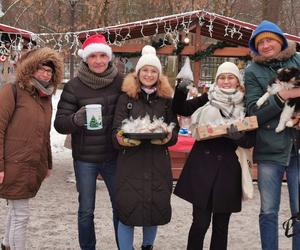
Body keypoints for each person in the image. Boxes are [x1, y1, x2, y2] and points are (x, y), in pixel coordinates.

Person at [172, 62, 255, 250]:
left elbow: (250, 140)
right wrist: (181, 89)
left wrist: (238, 137)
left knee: (221, 226)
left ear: (238, 81)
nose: (226, 81)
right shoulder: (207, 98)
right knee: (200, 223)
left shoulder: (246, 104)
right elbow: (181, 108)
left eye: (230, 77)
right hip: (202, 167)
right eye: (222, 78)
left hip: (228, 170)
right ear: (217, 80)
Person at [54, 34, 123, 250]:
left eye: (103, 55)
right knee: (86, 210)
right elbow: (60, 124)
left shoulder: (121, 83)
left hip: (114, 155)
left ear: (109, 57)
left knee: (120, 207)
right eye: (93, 56)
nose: (99, 60)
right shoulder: (73, 87)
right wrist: (76, 119)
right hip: (85, 159)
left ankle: (124, 245)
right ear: (86, 59)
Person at [112, 45, 179, 250]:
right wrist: (122, 139)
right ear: (138, 73)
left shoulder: (167, 100)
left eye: (153, 71)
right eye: (145, 70)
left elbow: (173, 133)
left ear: (159, 75)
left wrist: (167, 138)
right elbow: (116, 131)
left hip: (158, 163)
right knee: (127, 211)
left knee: (154, 210)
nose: (148, 74)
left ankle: (147, 246)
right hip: (130, 164)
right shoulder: (126, 98)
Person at [0, 47, 63, 250]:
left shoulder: (46, 98)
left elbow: (44, 135)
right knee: (21, 214)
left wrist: (48, 163)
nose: (46, 73)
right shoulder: (12, 91)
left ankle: (7, 244)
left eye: (50, 71)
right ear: (30, 68)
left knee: (16, 210)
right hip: (13, 164)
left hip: (32, 165)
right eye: (42, 68)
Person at [244, 20, 300, 250]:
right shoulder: (252, 71)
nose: (266, 45)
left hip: (297, 146)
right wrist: (285, 95)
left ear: (280, 40)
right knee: (268, 210)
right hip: (269, 148)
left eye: (270, 40)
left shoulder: (298, 60)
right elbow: (253, 113)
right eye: (261, 42)